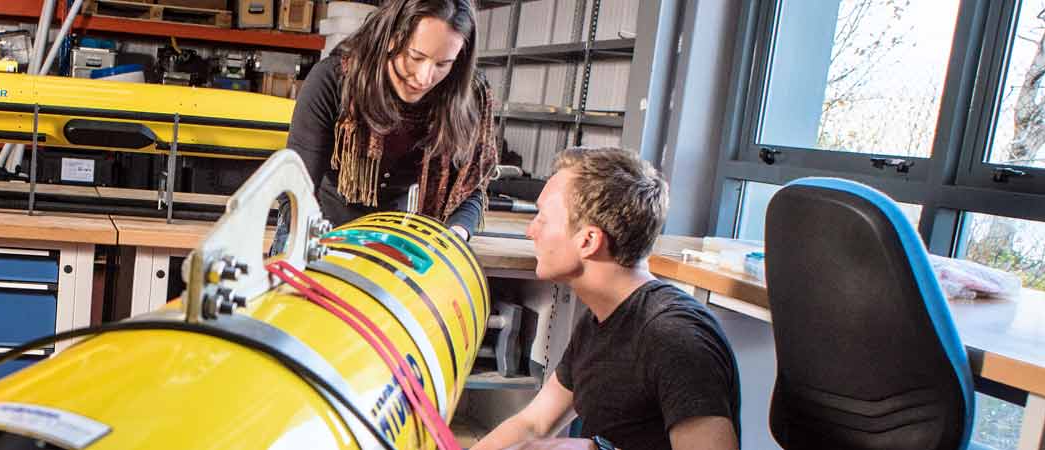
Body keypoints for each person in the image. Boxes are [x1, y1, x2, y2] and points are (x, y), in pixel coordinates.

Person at [472, 148, 741, 450]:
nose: (530, 231)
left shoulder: (674, 339)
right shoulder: (600, 320)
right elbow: (533, 425)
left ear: (588, 241)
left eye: (542, 219)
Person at [287, 0, 498, 239]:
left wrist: (454, 237)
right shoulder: (335, 80)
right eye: (416, 56)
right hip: (326, 228)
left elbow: (469, 185)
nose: (424, 78)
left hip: (402, 236)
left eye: (443, 64)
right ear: (391, 37)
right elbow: (296, 189)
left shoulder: (469, 95)